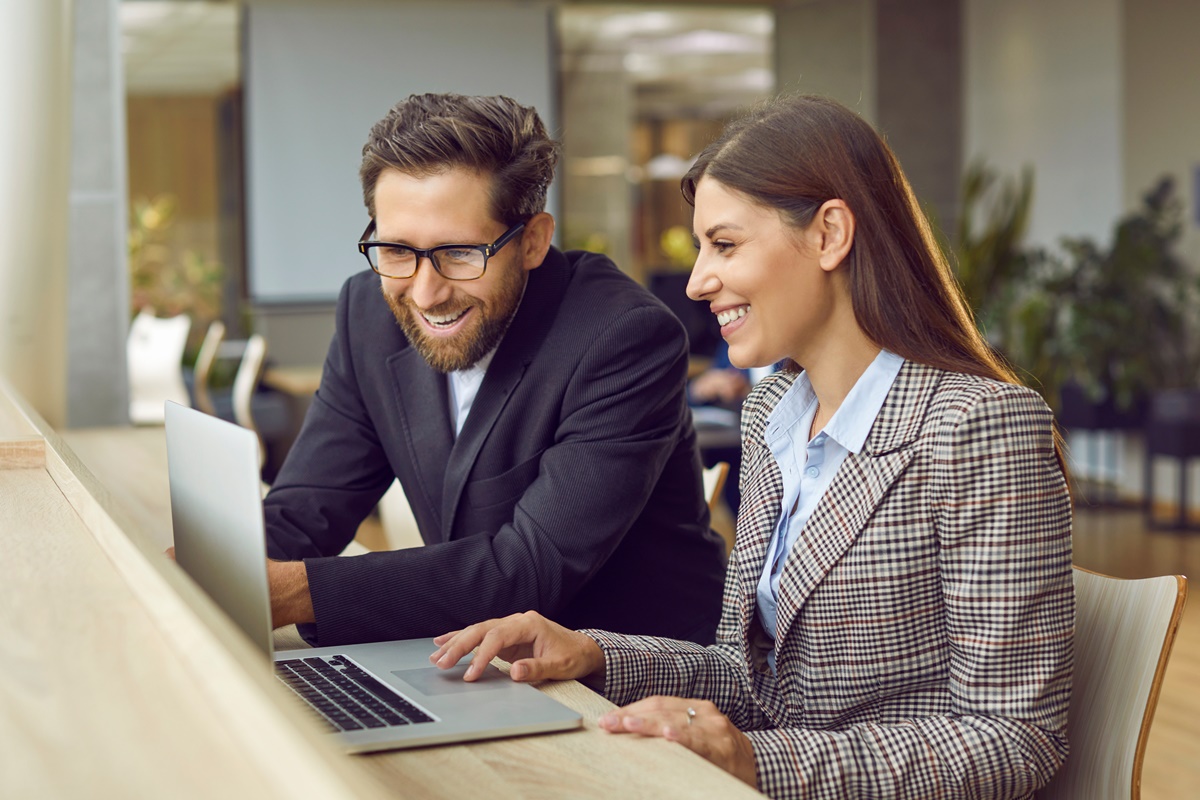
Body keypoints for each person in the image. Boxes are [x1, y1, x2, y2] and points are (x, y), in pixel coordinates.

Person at [429, 94, 1075, 799]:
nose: (700, 280)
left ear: (830, 233)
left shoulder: (977, 426)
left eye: (725, 245)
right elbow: (749, 679)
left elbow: (1015, 737)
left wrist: (756, 763)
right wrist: (592, 653)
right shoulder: (775, 412)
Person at [262, 93, 726, 648]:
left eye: (459, 253)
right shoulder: (367, 311)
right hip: (469, 659)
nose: (426, 292)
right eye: (396, 250)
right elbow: (307, 508)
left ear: (532, 241)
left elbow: (526, 569)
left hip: (625, 683)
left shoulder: (623, 337)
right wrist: (207, 566)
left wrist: (295, 592)